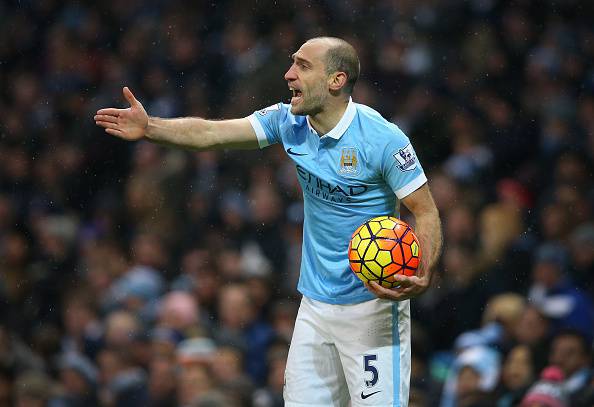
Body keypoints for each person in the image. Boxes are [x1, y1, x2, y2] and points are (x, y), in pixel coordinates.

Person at [94, 36, 442, 406]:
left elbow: (425, 211)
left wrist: (424, 274)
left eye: (303, 66)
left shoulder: (383, 139)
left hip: (372, 307)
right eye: (292, 63)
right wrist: (151, 128)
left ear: (336, 81)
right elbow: (212, 133)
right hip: (315, 307)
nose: (288, 74)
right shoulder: (288, 120)